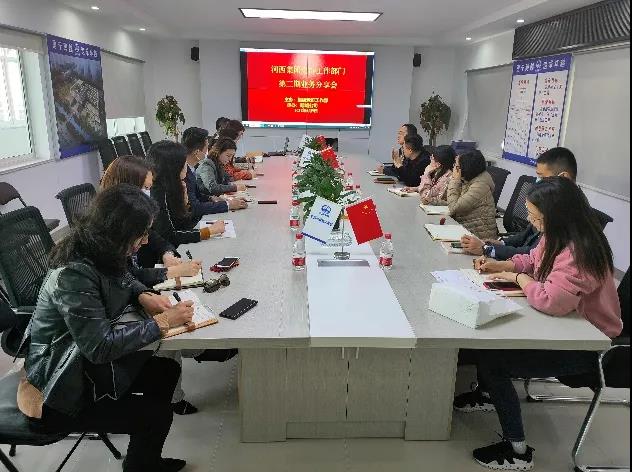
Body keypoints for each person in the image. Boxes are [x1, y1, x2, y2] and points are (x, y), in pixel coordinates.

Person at [17, 184, 194, 472]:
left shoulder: (101, 249)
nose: (145, 241)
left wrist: (142, 294)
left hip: (80, 367)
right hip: (56, 392)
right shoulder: (73, 274)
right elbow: (99, 347)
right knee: (156, 414)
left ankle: (141, 456)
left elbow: (125, 276)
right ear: (119, 231)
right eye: (141, 234)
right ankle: (141, 454)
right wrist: (162, 322)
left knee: (166, 371)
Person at [454, 177, 622, 470]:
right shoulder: (559, 235)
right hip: (568, 327)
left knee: (495, 360)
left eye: (536, 218)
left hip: (588, 346)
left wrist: (519, 278)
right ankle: (488, 394)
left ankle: (517, 451)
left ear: (558, 216)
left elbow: (551, 301)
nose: (532, 223)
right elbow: (533, 260)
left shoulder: (579, 252)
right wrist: (504, 265)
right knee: (486, 342)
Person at [100, 156, 202, 287]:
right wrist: (172, 271)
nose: (148, 194)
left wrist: (167, 254)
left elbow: (158, 240)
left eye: (149, 188)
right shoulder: (110, 225)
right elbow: (125, 277)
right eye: (145, 187)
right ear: (127, 188)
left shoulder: (137, 214)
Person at [460, 147, 578, 258]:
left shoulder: (569, 213)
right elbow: (526, 234)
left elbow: (532, 254)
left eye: (542, 177)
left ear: (564, 177)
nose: (537, 182)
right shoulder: (550, 200)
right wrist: (500, 243)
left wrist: (489, 250)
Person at [148, 141, 225, 247]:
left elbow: (185, 223)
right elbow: (169, 236)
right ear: (174, 167)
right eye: (184, 163)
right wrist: (209, 231)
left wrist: (186, 206)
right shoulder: (159, 193)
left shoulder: (176, 184)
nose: (187, 166)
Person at [181, 127, 247, 216]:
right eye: (206, 148)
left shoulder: (190, 169)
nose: (207, 151)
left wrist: (211, 198)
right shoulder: (184, 172)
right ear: (197, 152)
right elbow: (194, 207)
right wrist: (228, 205)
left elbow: (197, 195)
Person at [447, 150, 497, 240]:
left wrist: (455, 180)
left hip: (478, 236)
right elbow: (459, 199)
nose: (454, 169)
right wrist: (434, 201)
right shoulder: (470, 178)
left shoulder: (480, 185)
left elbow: (454, 207)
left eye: (457, 166)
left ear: (466, 168)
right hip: (466, 227)